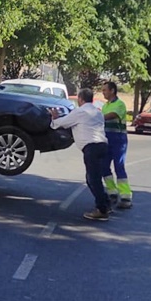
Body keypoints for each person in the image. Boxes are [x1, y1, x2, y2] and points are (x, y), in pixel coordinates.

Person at [50, 88, 111, 221]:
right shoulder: (97, 112)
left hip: (91, 148)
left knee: (93, 179)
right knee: (95, 177)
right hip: (103, 146)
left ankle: (102, 209)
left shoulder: (80, 111)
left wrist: (54, 118)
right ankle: (106, 203)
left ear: (80, 99)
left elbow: (61, 123)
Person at [100, 81, 132, 209]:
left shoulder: (120, 105)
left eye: (105, 90)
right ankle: (112, 191)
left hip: (118, 140)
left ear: (112, 90)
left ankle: (125, 196)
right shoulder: (105, 105)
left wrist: (96, 116)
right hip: (107, 139)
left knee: (119, 166)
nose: (103, 92)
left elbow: (110, 116)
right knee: (104, 166)